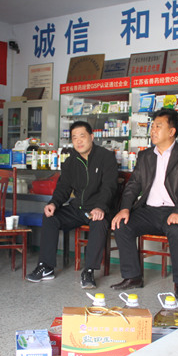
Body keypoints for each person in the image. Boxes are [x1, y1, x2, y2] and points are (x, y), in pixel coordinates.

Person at [111, 109, 178, 301]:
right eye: (152, 127)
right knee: (121, 225)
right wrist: (124, 209)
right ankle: (133, 277)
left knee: (177, 231)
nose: (153, 130)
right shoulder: (145, 156)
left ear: (172, 131)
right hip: (148, 211)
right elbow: (133, 185)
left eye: (159, 126)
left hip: (173, 210)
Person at [26, 121, 118, 288]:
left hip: (99, 209)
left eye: (82, 136)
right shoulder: (70, 161)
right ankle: (46, 267)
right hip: (78, 208)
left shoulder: (106, 157)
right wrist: (53, 203)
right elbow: (63, 188)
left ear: (91, 137)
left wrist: (100, 207)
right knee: (50, 217)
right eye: (74, 137)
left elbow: (109, 187)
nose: (78, 141)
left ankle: (88, 271)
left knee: (99, 223)